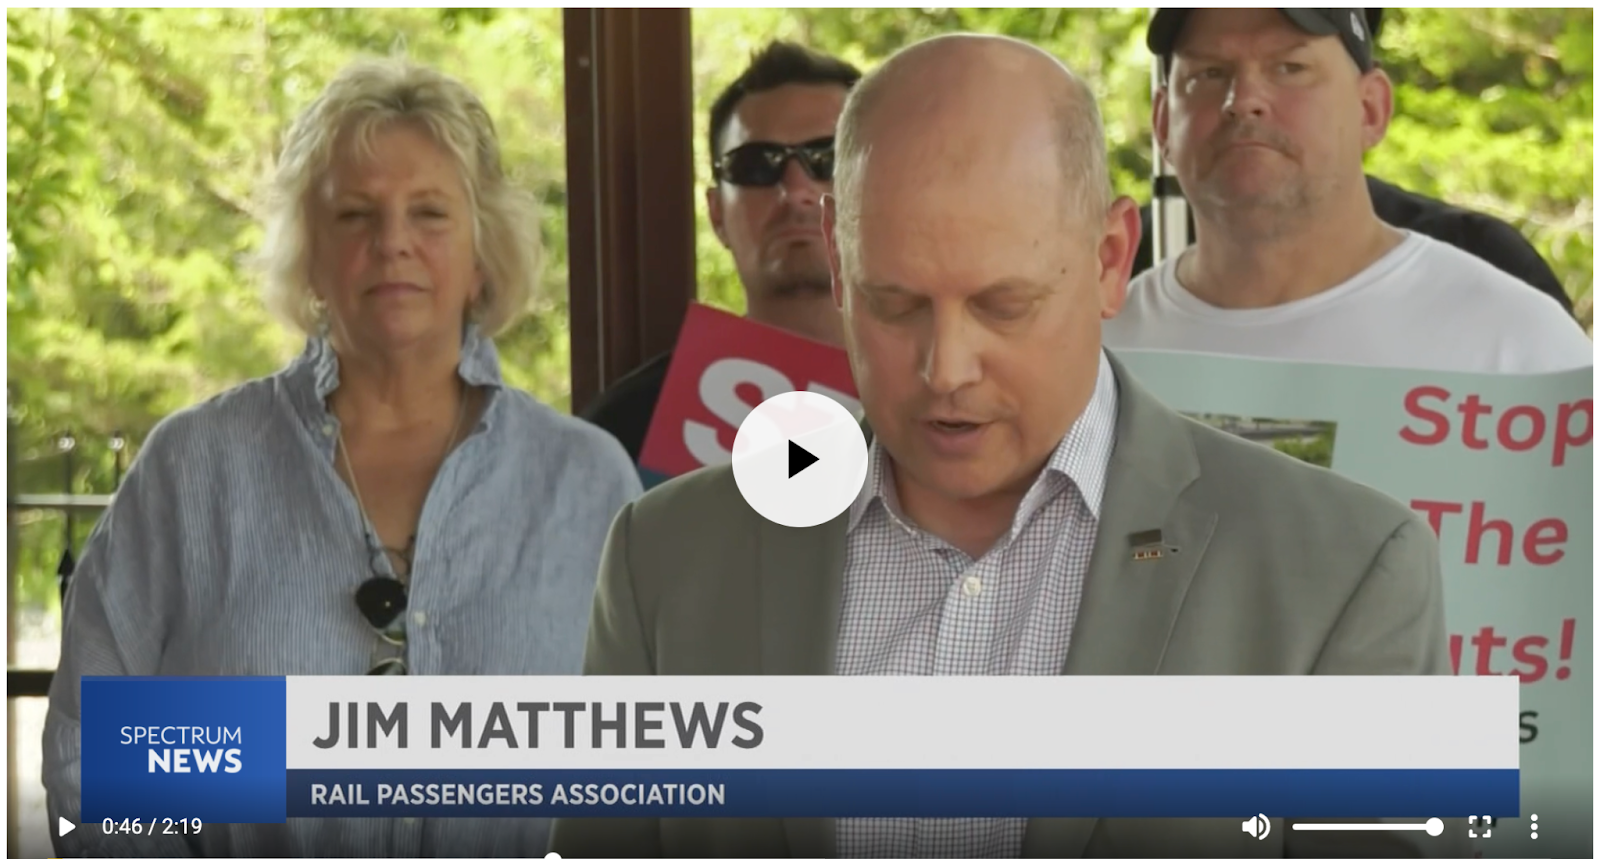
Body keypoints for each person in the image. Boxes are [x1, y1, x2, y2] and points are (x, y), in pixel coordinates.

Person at [551, 33, 1447, 859]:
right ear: (838, 255)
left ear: (1110, 258)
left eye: (1004, 305)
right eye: (896, 303)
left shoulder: (1344, 574)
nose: (946, 368)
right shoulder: (666, 558)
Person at [44, 58, 641, 858]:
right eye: (355, 214)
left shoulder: (588, 482)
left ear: (482, 255)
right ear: (311, 258)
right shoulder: (193, 471)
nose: (392, 243)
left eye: (429, 213)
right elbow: (92, 764)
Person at [1106, 8, 1591, 374]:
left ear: (1371, 109)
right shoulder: (1097, 354)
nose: (1244, 100)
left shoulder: (1517, 341)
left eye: (1289, 67)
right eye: (1209, 73)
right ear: (1163, 124)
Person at [580, 41, 863, 463]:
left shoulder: (948, 399)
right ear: (716, 214)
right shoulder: (625, 429)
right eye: (755, 166)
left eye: (829, 158)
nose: (796, 191)